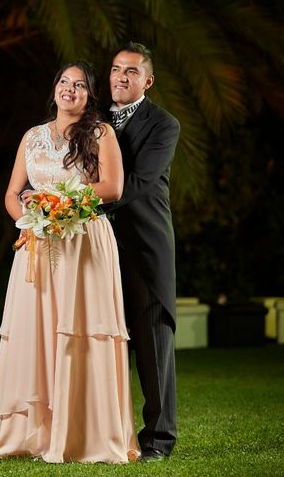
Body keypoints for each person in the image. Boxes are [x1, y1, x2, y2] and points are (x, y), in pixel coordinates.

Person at [0, 61, 139, 464]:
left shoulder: (101, 134)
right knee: (38, 332)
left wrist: (56, 202)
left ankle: (84, 433)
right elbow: (14, 193)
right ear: (54, 90)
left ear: (89, 95)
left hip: (85, 244)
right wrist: (29, 219)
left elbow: (113, 188)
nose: (70, 89)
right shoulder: (31, 137)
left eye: (79, 85)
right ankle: (32, 432)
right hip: (38, 245)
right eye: (64, 82)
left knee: (81, 331)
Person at [104, 42, 180, 462]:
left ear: (147, 81)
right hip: (96, 251)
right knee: (101, 344)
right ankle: (103, 434)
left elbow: (137, 183)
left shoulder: (163, 125)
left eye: (131, 72)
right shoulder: (94, 119)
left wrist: (79, 203)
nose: (120, 77)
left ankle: (159, 440)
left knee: (152, 347)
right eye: (116, 69)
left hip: (145, 250)